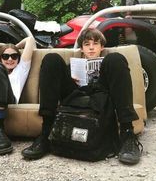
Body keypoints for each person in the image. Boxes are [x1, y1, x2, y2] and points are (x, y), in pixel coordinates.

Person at [22, 29, 143, 165]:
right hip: (75, 95)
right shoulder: (72, 66)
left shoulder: (108, 64)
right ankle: (45, 133)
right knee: (51, 59)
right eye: (87, 44)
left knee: (116, 59)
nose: (91, 47)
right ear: (81, 48)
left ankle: (127, 133)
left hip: (100, 97)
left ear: (101, 47)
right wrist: (70, 77)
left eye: (95, 43)